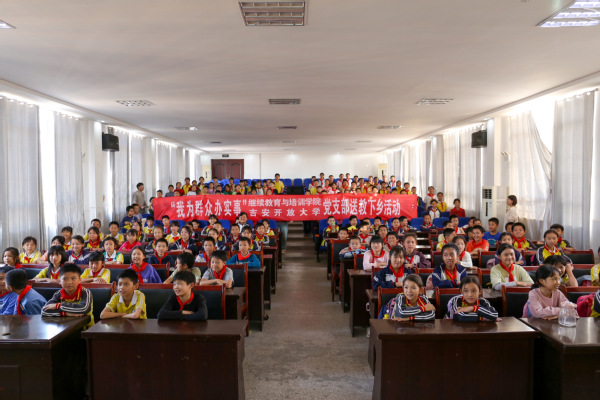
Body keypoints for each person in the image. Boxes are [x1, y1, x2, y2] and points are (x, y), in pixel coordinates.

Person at [41, 263, 94, 329]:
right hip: (64, 329)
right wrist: (65, 313)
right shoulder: (58, 294)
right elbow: (44, 311)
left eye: (73, 278)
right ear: (60, 281)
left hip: (85, 330)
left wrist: (58, 306)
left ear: (79, 280)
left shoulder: (85, 292)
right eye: (65, 279)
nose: (69, 282)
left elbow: (84, 308)